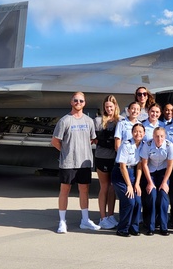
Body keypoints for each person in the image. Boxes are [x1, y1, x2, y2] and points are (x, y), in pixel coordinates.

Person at [51, 92, 100, 233]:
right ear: (71, 102)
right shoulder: (65, 121)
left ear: (84, 103)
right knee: (64, 191)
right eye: (76, 100)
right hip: (68, 163)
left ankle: (85, 220)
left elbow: (92, 139)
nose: (78, 102)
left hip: (84, 163)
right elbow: (55, 141)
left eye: (81, 101)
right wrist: (66, 151)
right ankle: (62, 221)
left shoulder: (89, 121)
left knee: (84, 190)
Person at [139, 125, 173, 236]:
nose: (159, 139)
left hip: (163, 173)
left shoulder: (169, 145)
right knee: (152, 196)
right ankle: (151, 227)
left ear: (165, 136)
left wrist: (165, 182)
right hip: (150, 173)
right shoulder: (148, 145)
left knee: (163, 197)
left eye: (161, 136)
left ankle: (164, 227)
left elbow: (170, 165)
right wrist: (150, 182)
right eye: (156, 136)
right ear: (153, 136)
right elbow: (144, 164)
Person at [113, 122, 146, 236]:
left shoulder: (143, 145)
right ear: (132, 133)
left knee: (138, 201)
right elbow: (122, 166)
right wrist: (129, 185)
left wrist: (136, 184)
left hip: (133, 174)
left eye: (140, 132)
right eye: (135, 131)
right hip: (121, 175)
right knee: (130, 201)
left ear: (144, 133)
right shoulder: (126, 144)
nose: (138, 134)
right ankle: (122, 229)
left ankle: (134, 227)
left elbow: (140, 166)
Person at [93, 95, 121, 230]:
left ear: (115, 106)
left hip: (115, 158)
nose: (109, 109)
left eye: (111, 106)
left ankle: (110, 215)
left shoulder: (120, 121)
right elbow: (94, 139)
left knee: (112, 187)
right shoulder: (98, 121)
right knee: (104, 186)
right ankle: (103, 217)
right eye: (106, 107)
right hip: (102, 157)